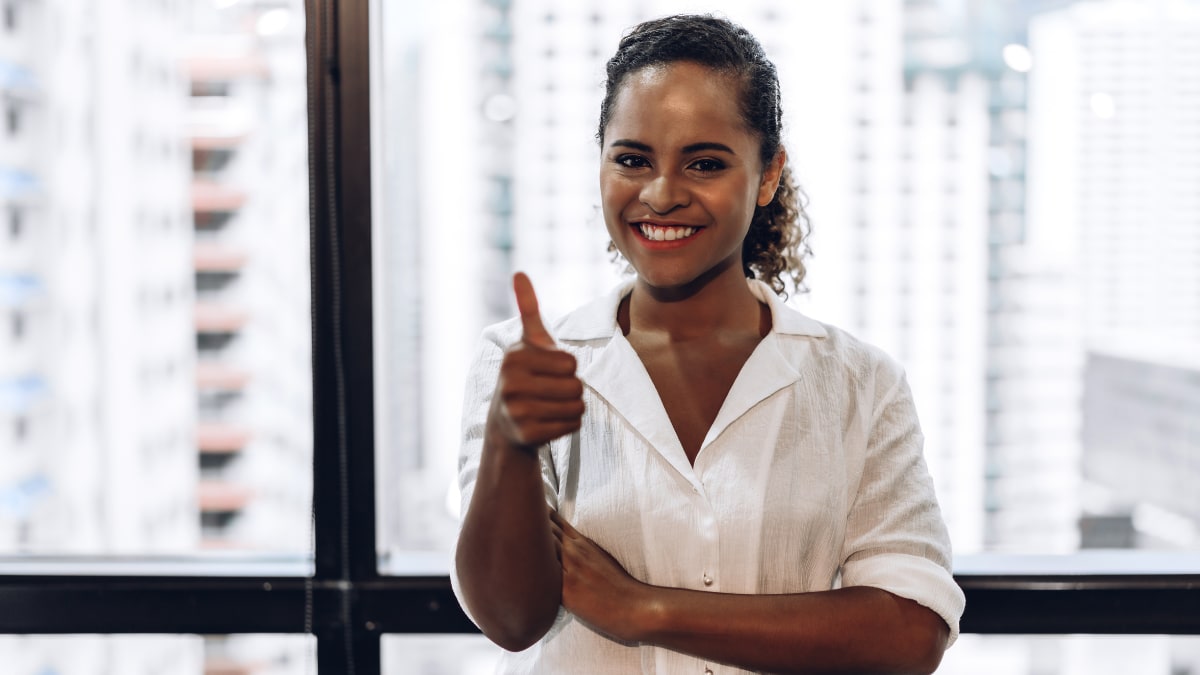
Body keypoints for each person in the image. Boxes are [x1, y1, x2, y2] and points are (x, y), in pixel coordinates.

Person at [452, 14, 965, 674]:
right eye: (632, 159)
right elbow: (510, 619)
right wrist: (508, 439)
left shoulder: (859, 383)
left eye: (705, 163)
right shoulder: (522, 363)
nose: (662, 194)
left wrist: (645, 608)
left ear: (768, 174)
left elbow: (908, 632)